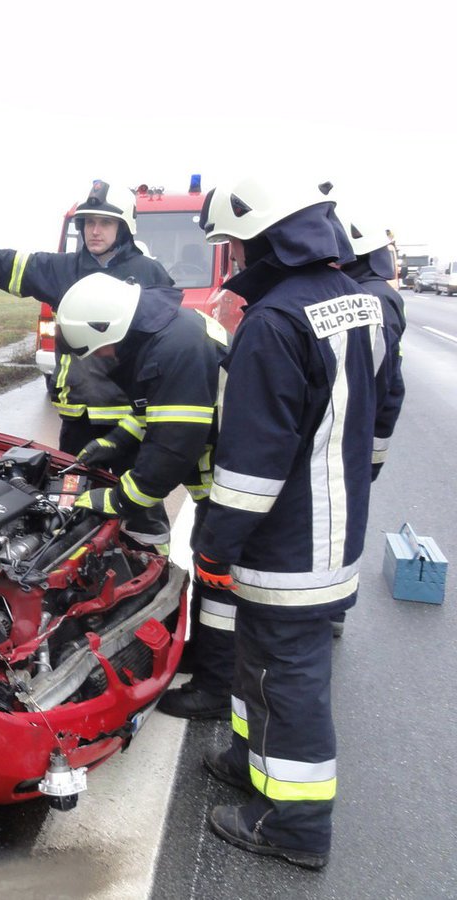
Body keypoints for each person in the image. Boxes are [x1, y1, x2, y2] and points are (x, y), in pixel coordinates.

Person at [191, 177, 398, 870]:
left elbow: (252, 462)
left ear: (264, 238)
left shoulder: (274, 322)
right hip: (334, 528)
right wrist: (355, 479)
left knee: (288, 677)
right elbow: (382, 409)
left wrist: (214, 542)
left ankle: (295, 826)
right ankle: (251, 761)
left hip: (286, 541)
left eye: (235, 241)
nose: (233, 253)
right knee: (260, 662)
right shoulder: (362, 303)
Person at [0, 179, 176, 547]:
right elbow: (5, 263)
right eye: (88, 222)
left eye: (105, 223)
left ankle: (155, 568)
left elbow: (166, 344)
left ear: (124, 227)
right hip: (78, 423)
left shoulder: (150, 275)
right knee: (69, 513)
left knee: (143, 516)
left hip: (131, 424)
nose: (94, 231)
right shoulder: (63, 270)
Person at [51, 274, 226, 542]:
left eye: (97, 350)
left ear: (106, 328)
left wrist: (118, 500)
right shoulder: (166, 331)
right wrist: (116, 441)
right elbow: (158, 408)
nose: (100, 357)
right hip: (224, 483)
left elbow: (174, 446)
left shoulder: (176, 349)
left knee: (214, 559)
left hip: (236, 489)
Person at [329, 210, 408, 636]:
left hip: (349, 437)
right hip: (358, 436)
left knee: (337, 524)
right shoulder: (376, 292)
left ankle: (331, 610)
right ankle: (332, 608)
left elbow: (380, 384)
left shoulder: (371, 299)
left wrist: (368, 455)